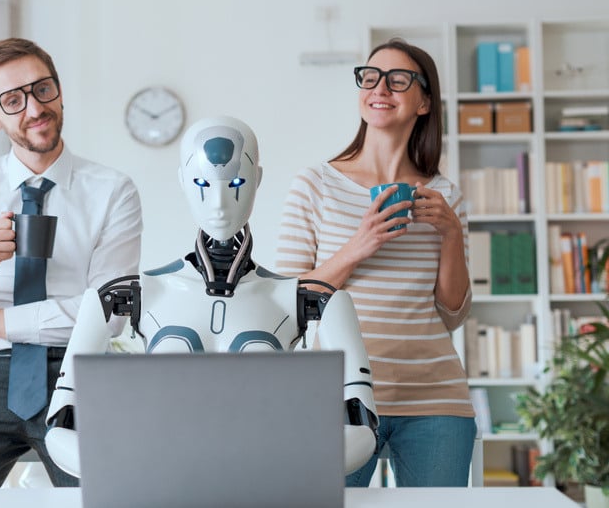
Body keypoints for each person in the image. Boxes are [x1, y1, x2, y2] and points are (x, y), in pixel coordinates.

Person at [43, 116, 379, 478]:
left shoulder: (310, 300)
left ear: (257, 180)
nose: (219, 203)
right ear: (183, 182)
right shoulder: (123, 296)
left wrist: (293, 464)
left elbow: (361, 426)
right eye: (203, 183)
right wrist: (125, 463)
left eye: (236, 183)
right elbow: (62, 424)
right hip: (162, 484)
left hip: (265, 486)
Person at [0, 38, 143, 487]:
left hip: (76, 372)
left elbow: (109, 315)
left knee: (114, 497)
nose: (34, 108)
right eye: (13, 100)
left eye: (42, 89)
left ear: (58, 91)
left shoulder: (113, 191)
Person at [275, 38, 476, 487]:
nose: (380, 87)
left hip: (435, 402)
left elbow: (454, 313)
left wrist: (450, 233)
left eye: (398, 79)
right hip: (338, 399)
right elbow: (286, 302)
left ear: (424, 101)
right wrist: (359, 245)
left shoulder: (446, 197)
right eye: (370, 77)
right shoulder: (316, 185)